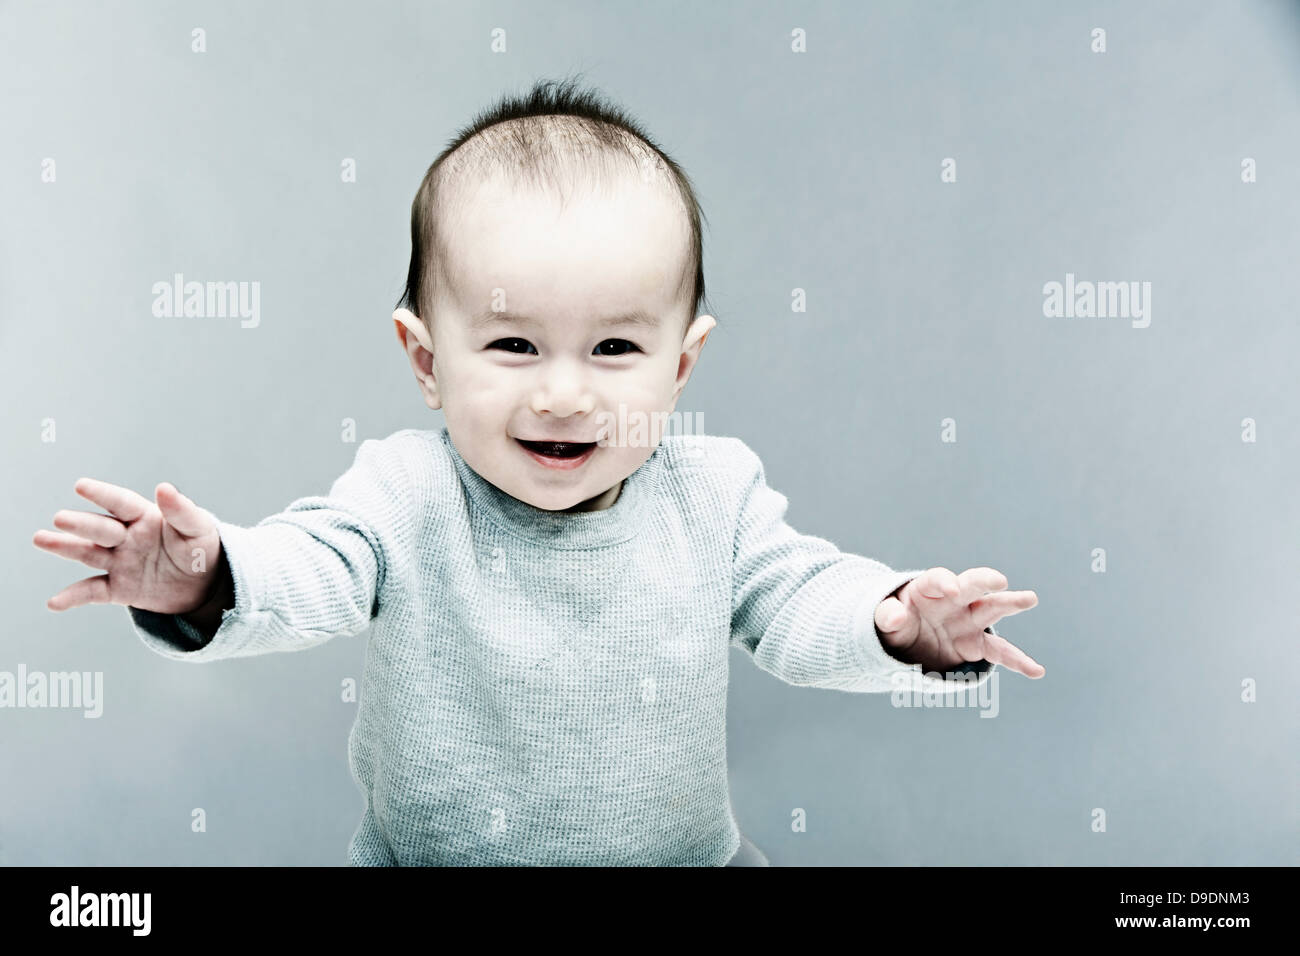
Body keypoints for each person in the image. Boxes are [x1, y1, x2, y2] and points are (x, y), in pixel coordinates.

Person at [32, 77, 1042, 866]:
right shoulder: (404, 494)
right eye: (513, 345)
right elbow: (312, 567)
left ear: (680, 364)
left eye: (613, 349)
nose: (564, 395)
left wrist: (895, 618)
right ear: (426, 359)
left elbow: (798, 598)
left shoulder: (714, 491)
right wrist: (213, 578)